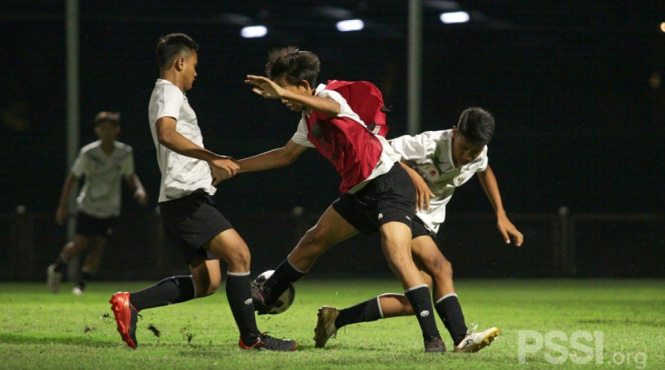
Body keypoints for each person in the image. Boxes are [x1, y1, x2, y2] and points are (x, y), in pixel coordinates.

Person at [239, 46, 446, 353]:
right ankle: (269, 293)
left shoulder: (331, 96)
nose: (281, 97)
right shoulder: (307, 119)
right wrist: (234, 166)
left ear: (305, 86)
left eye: (284, 89)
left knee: (396, 251)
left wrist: (284, 94)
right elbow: (285, 155)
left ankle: (433, 339)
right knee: (312, 241)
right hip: (359, 191)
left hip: (388, 183)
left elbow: (331, 109)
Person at [108, 33, 296, 351]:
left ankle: (131, 303)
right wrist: (212, 157)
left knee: (207, 282)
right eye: (194, 65)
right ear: (180, 62)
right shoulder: (168, 92)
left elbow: (175, 144)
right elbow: (166, 134)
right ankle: (252, 339)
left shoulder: (168, 95)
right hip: (185, 199)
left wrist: (211, 173)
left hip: (182, 197)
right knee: (240, 255)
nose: (196, 72)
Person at [313, 107, 524, 353]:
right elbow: (380, 148)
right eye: (463, 147)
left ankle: (336, 318)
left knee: (414, 302)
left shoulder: (478, 152)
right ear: (454, 133)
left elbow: (484, 170)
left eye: (473, 151)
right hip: (401, 210)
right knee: (442, 267)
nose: (467, 156)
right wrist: (413, 174)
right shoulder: (427, 144)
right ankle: (461, 337)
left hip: (428, 220)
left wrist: (501, 213)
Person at [47, 111, 148, 295]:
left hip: (110, 208)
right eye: (103, 128)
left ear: (116, 130)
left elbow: (130, 175)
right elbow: (73, 177)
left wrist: (139, 189)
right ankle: (57, 267)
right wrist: (63, 205)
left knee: (99, 246)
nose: (107, 132)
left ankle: (80, 285)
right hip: (88, 205)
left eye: (110, 128)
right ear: (97, 131)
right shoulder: (88, 152)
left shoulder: (124, 152)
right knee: (80, 244)